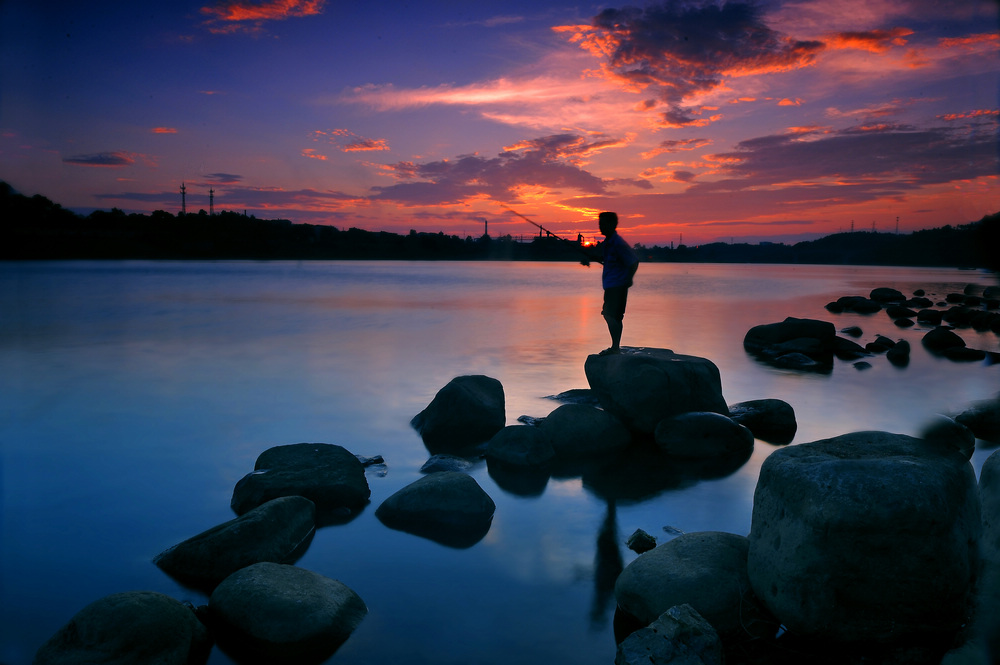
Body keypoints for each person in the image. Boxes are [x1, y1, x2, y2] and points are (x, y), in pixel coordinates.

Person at [596, 211, 638, 355]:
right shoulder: (609, 243)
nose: (600, 226)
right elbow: (610, 260)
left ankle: (615, 348)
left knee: (610, 315)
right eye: (599, 223)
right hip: (611, 285)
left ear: (612, 224)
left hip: (617, 285)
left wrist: (629, 279)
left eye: (603, 223)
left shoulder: (617, 243)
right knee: (614, 316)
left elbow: (633, 261)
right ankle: (615, 347)